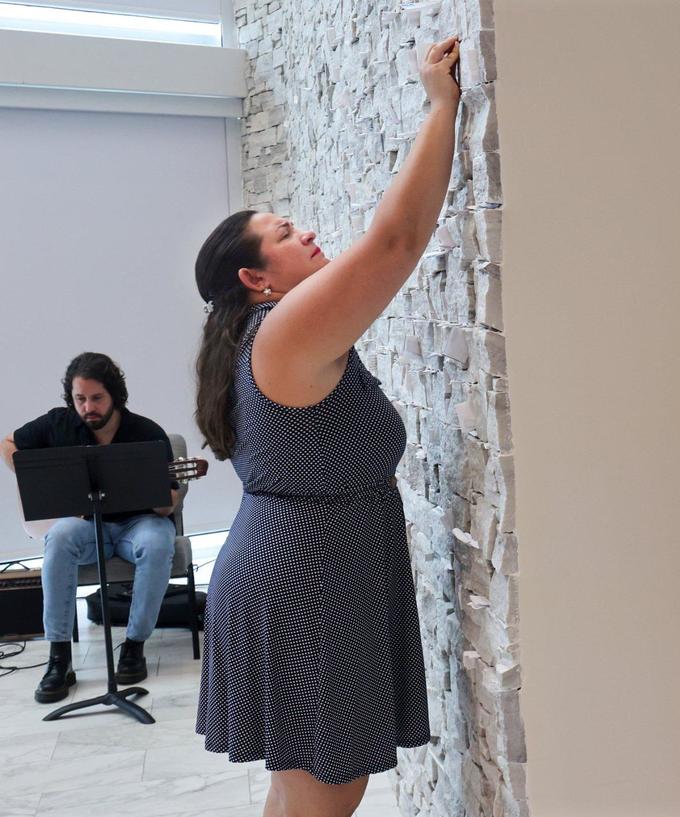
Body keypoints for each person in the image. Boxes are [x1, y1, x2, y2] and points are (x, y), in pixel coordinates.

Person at [192, 37, 460, 817]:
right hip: (306, 578)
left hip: (301, 566)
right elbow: (396, 243)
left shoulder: (260, 338)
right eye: (284, 233)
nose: (306, 233)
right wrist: (440, 106)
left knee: (302, 793)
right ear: (255, 277)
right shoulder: (279, 331)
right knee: (325, 794)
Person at [1, 352, 178, 702]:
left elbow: (168, 502)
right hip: (85, 525)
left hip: (137, 524)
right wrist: (40, 481)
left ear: (115, 396)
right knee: (60, 536)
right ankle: (59, 659)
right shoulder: (59, 424)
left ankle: (134, 645)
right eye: (80, 399)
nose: (88, 408)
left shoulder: (146, 432)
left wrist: (158, 494)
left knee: (157, 542)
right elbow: (8, 444)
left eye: (96, 398)